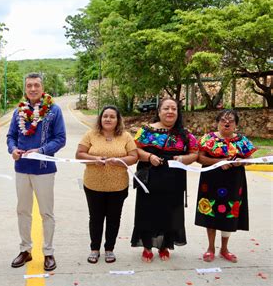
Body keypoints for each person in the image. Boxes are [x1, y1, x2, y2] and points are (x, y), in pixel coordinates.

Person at [7, 73, 66, 271]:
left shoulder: (53, 111)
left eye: (36, 85)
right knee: (22, 211)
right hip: (22, 168)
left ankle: (48, 252)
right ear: (25, 88)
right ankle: (26, 250)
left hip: (44, 169)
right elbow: (11, 137)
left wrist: (40, 151)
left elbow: (60, 139)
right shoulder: (18, 112)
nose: (33, 89)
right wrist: (13, 149)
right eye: (29, 85)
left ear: (42, 87)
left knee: (46, 212)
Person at [131, 97, 198, 263]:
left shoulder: (185, 133)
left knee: (170, 213)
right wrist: (149, 156)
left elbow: (195, 153)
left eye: (174, 109)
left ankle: (164, 246)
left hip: (173, 181)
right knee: (147, 211)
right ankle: (147, 246)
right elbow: (134, 150)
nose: (170, 112)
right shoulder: (146, 130)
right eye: (166, 108)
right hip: (149, 179)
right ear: (159, 111)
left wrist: (184, 159)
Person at [76, 105, 138, 264]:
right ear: (100, 118)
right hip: (93, 185)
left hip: (118, 187)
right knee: (95, 218)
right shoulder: (91, 134)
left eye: (112, 117)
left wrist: (119, 161)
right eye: (105, 116)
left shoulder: (125, 136)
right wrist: (94, 160)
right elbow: (79, 155)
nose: (108, 119)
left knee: (113, 218)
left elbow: (134, 156)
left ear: (118, 120)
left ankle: (110, 249)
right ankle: (94, 249)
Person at [195, 109, 256, 263]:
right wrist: (218, 162)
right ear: (217, 122)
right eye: (223, 120)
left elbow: (250, 159)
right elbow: (200, 158)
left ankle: (224, 249)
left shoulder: (242, 141)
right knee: (211, 211)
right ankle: (210, 248)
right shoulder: (208, 139)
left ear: (236, 124)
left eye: (231, 121)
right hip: (211, 181)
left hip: (234, 182)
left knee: (229, 212)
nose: (226, 123)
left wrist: (241, 162)